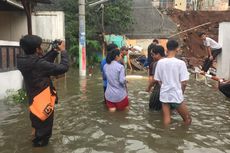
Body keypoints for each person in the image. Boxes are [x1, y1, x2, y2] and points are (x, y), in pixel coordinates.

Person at [17, 35, 69, 147]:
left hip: (34, 102)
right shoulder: (38, 64)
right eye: (40, 46)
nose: (41, 48)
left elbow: (41, 62)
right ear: (37, 49)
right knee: (43, 136)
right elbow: (63, 68)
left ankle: (35, 140)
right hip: (43, 103)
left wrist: (54, 51)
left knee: (36, 127)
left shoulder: (23, 61)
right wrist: (63, 51)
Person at [154, 40, 191, 126]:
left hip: (164, 93)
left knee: (167, 119)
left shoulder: (160, 62)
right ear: (177, 49)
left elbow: (158, 80)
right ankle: (180, 136)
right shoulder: (180, 63)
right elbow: (184, 82)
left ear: (167, 49)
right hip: (176, 94)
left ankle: (165, 136)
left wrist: (164, 87)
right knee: (188, 120)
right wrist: (181, 93)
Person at [146, 45, 165, 110]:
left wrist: (148, 88)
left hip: (159, 90)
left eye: (152, 54)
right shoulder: (170, 62)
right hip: (171, 92)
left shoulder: (157, 63)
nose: (152, 56)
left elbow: (154, 79)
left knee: (153, 110)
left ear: (158, 54)